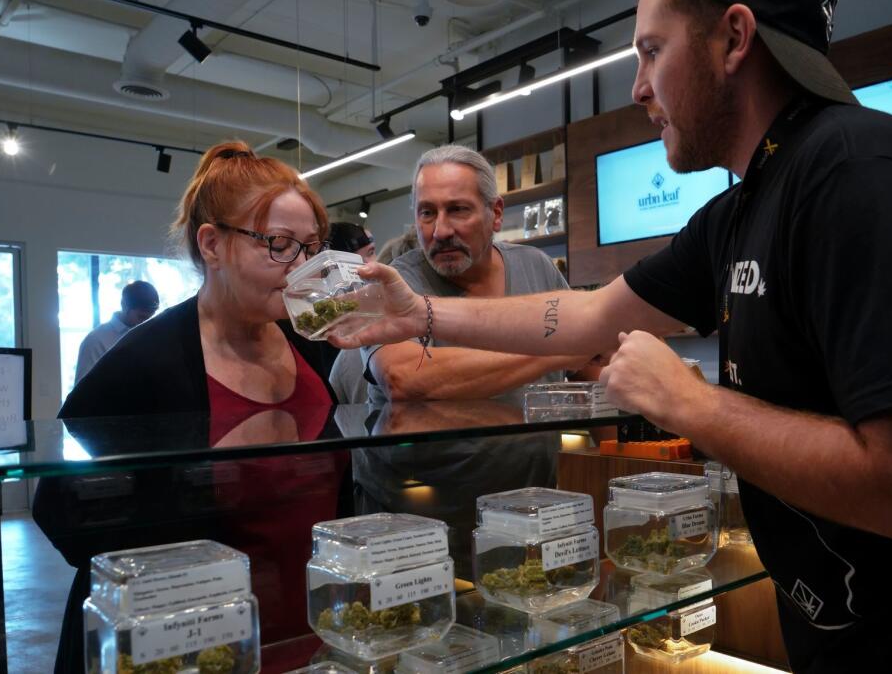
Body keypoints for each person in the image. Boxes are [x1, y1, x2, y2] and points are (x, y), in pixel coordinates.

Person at [333, 1, 892, 672]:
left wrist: (694, 405)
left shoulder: (861, 176)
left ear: (734, 39)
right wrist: (421, 316)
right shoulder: (741, 207)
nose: (639, 86)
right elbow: (585, 314)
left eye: (650, 51)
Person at [37, 141, 348, 673]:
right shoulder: (143, 363)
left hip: (305, 635)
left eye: (311, 248)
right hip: (195, 650)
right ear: (212, 244)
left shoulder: (313, 343)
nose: (302, 268)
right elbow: (61, 510)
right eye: (278, 244)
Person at [350, 145, 601, 575]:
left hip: (529, 509)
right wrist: (554, 348)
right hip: (416, 521)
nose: (441, 230)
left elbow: (588, 363)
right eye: (427, 213)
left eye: (458, 210)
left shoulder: (536, 267)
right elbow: (406, 377)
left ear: (496, 214)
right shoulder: (395, 281)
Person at [328, 228, 419, 404]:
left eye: (374, 252)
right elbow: (401, 380)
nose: (373, 263)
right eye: (369, 253)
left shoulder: (347, 350)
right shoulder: (361, 336)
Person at [72, 280, 159, 383]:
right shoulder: (95, 341)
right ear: (124, 305)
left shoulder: (150, 336)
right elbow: (81, 392)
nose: (146, 323)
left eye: (150, 318)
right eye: (141, 317)